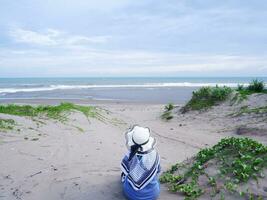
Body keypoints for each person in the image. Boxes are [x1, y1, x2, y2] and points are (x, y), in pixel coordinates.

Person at [120, 125, 161, 200]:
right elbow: (158, 171)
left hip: (131, 195)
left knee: (124, 176)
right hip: (152, 195)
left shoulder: (129, 155)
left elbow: (125, 169)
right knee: (154, 179)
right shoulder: (155, 155)